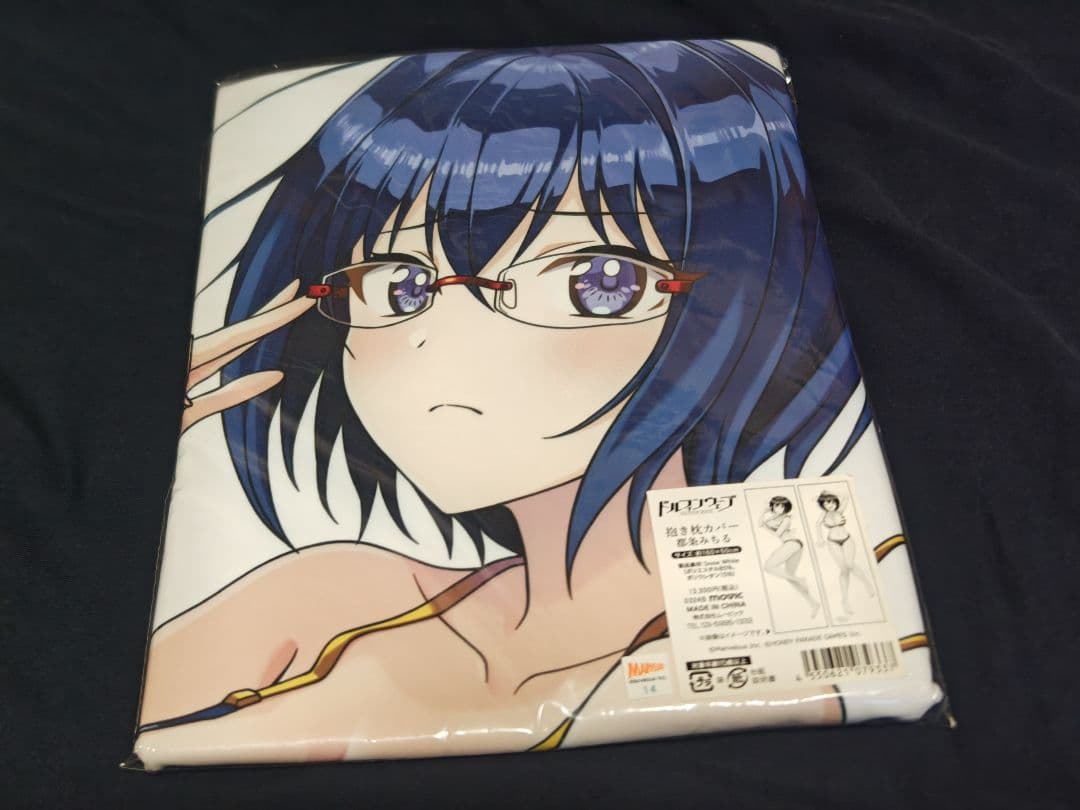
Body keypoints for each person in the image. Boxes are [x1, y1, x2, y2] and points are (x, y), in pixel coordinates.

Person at [134, 40, 867, 767]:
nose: (440, 347)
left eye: (596, 282)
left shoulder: (788, 634)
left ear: (753, 303)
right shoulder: (330, 596)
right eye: (401, 285)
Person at [816, 491, 875, 615]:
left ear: (835, 502)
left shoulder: (840, 510)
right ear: (823, 505)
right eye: (826, 503)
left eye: (832, 502)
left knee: (850, 564)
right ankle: (845, 600)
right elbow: (817, 525)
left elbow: (846, 496)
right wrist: (819, 538)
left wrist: (830, 493)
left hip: (847, 539)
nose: (830, 505)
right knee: (844, 569)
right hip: (832, 542)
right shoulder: (823, 515)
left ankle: (867, 583)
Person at [760, 496, 820, 617]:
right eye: (776, 505)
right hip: (792, 545)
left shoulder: (787, 518)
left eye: (782, 506)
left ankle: (800, 580)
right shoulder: (774, 517)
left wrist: (765, 527)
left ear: (786, 507)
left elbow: (777, 533)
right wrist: (764, 512)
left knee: (768, 566)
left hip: (792, 543)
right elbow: (760, 523)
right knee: (790, 577)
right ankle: (813, 603)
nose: (779, 508)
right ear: (772, 506)